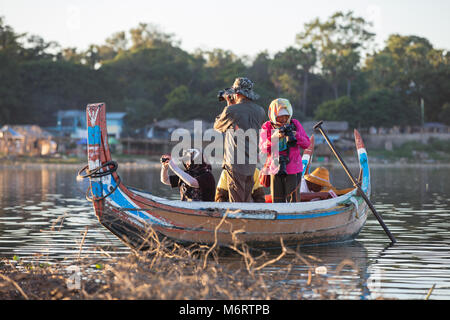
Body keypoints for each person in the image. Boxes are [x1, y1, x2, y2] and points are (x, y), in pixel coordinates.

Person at [213, 77, 266, 202]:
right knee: (246, 200)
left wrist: (229, 105)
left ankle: (237, 221)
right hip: (251, 163)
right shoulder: (260, 111)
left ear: (236, 94)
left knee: (236, 202)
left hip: (235, 163)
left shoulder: (231, 110)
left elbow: (217, 126)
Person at [259, 98, 310, 203]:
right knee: (277, 201)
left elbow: (306, 144)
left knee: (293, 201)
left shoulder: (294, 123)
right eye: (280, 117)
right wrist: (275, 137)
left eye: (286, 116)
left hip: (293, 169)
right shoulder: (267, 126)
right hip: (275, 168)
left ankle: (294, 219)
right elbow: (263, 148)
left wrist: (296, 135)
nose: (283, 120)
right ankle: (280, 219)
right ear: (273, 115)